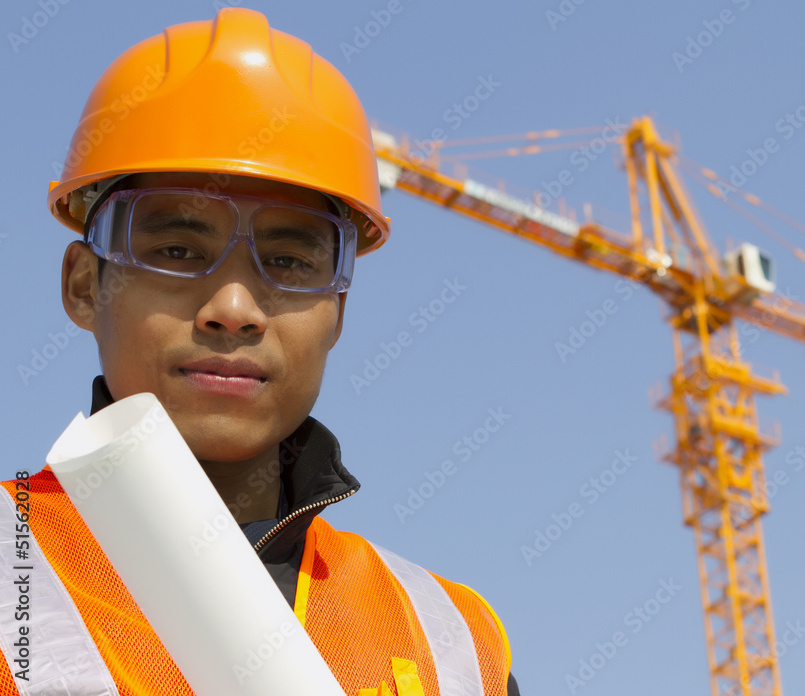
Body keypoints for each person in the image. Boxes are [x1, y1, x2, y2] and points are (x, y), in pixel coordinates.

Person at [0, 7, 519, 695]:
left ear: (337, 313)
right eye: (178, 250)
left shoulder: (452, 642)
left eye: (289, 260)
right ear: (83, 285)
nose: (234, 311)